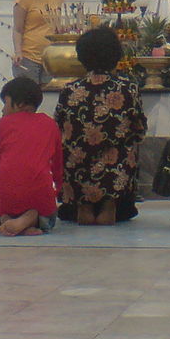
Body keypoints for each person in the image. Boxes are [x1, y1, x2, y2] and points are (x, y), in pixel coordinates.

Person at [55, 26, 146, 225]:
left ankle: (83, 205)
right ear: (115, 55)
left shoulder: (70, 89)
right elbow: (139, 129)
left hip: (77, 167)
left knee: (73, 149)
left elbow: (58, 126)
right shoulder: (128, 88)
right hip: (115, 170)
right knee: (124, 146)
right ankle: (109, 204)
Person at [0, 76, 62, 236]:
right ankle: (32, 219)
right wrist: (61, 187)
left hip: (6, 197)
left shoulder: (3, 124)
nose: (2, 110)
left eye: (5, 103)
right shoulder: (50, 124)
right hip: (39, 196)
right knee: (49, 216)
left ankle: (6, 218)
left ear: (19, 104)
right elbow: (57, 164)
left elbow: (1, 161)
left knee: (3, 209)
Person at [12, 0, 62, 85]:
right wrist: (18, 52)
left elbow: (58, 28)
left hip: (51, 58)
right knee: (28, 98)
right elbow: (18, 29)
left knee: (48, 98)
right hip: (29, 58)